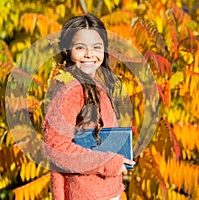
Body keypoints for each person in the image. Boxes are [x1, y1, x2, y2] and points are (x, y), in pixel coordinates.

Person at [43, 14, 135, 200]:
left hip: (106, 192)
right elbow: (56, 148)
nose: (89, 54)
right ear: (68, 50)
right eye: (80, 48)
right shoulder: (70, 90)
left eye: (96, 47)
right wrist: (108, 162)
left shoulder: (96, 85)